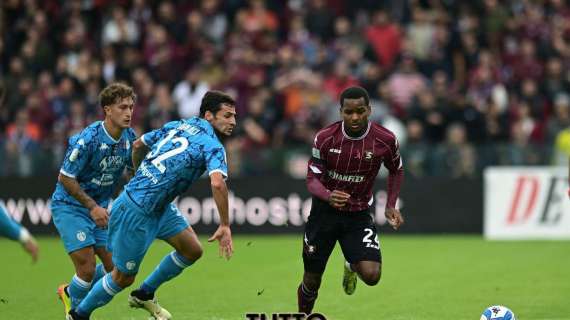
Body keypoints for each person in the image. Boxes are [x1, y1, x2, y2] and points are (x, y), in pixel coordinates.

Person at [67, 90, 236, 320]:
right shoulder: (213, 146)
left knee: (192, 250)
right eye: (227, 116)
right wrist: (225, 224)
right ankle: (78, 315)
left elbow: (137, 145)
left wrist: (138, 176)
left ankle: (144, 293)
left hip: (158, 207)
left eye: (234, 116)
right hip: (137, 211)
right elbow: (217, 184)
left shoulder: (178, 124)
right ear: (208, 115)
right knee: (121, 276)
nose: (233, 122)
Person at [297, 86, 405, 314]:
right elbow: (311, 179)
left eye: (360, 111)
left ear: (369, 110)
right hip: (323, 215)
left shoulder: (385, 140)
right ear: (340, 112)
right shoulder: (325, 138)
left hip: (358, 215)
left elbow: (396, 170)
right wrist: (328, 195)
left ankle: (351, 264)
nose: (354, 117)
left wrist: (390, 205)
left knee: (372, 275)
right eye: (349, 112)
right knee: (312, 280)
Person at [51, 83, 137, 315]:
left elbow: (134, 171)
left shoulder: (130, 138)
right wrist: (91, 207)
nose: (129, 112)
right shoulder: (87, 139)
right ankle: (76, 313)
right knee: (87, 269)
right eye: (122, 107)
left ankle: (70, 291)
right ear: (107, 110)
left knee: (118, 271)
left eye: (131, 107)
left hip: (101, 208)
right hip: (71, 206)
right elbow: (66, 178)